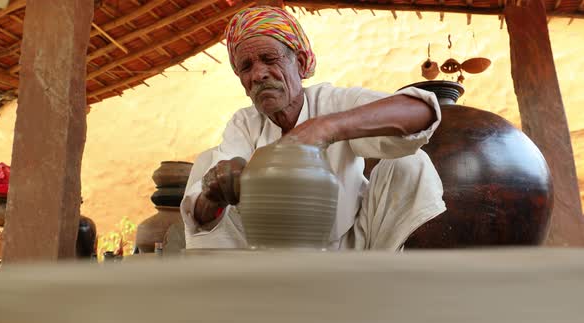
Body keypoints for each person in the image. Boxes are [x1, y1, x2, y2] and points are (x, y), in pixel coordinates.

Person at [180, 6, 445, 251]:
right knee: (207, 165)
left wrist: (327, 127)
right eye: (246, 67)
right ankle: (237, 286)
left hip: (350, 249)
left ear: (301, 63)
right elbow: (200, 216)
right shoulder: (244, 123)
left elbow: (421, 112)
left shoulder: (331, 102)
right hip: (266, 255)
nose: (258, 74)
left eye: (269, 59)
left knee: (410, 163)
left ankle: (380, 280)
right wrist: (214, 193)